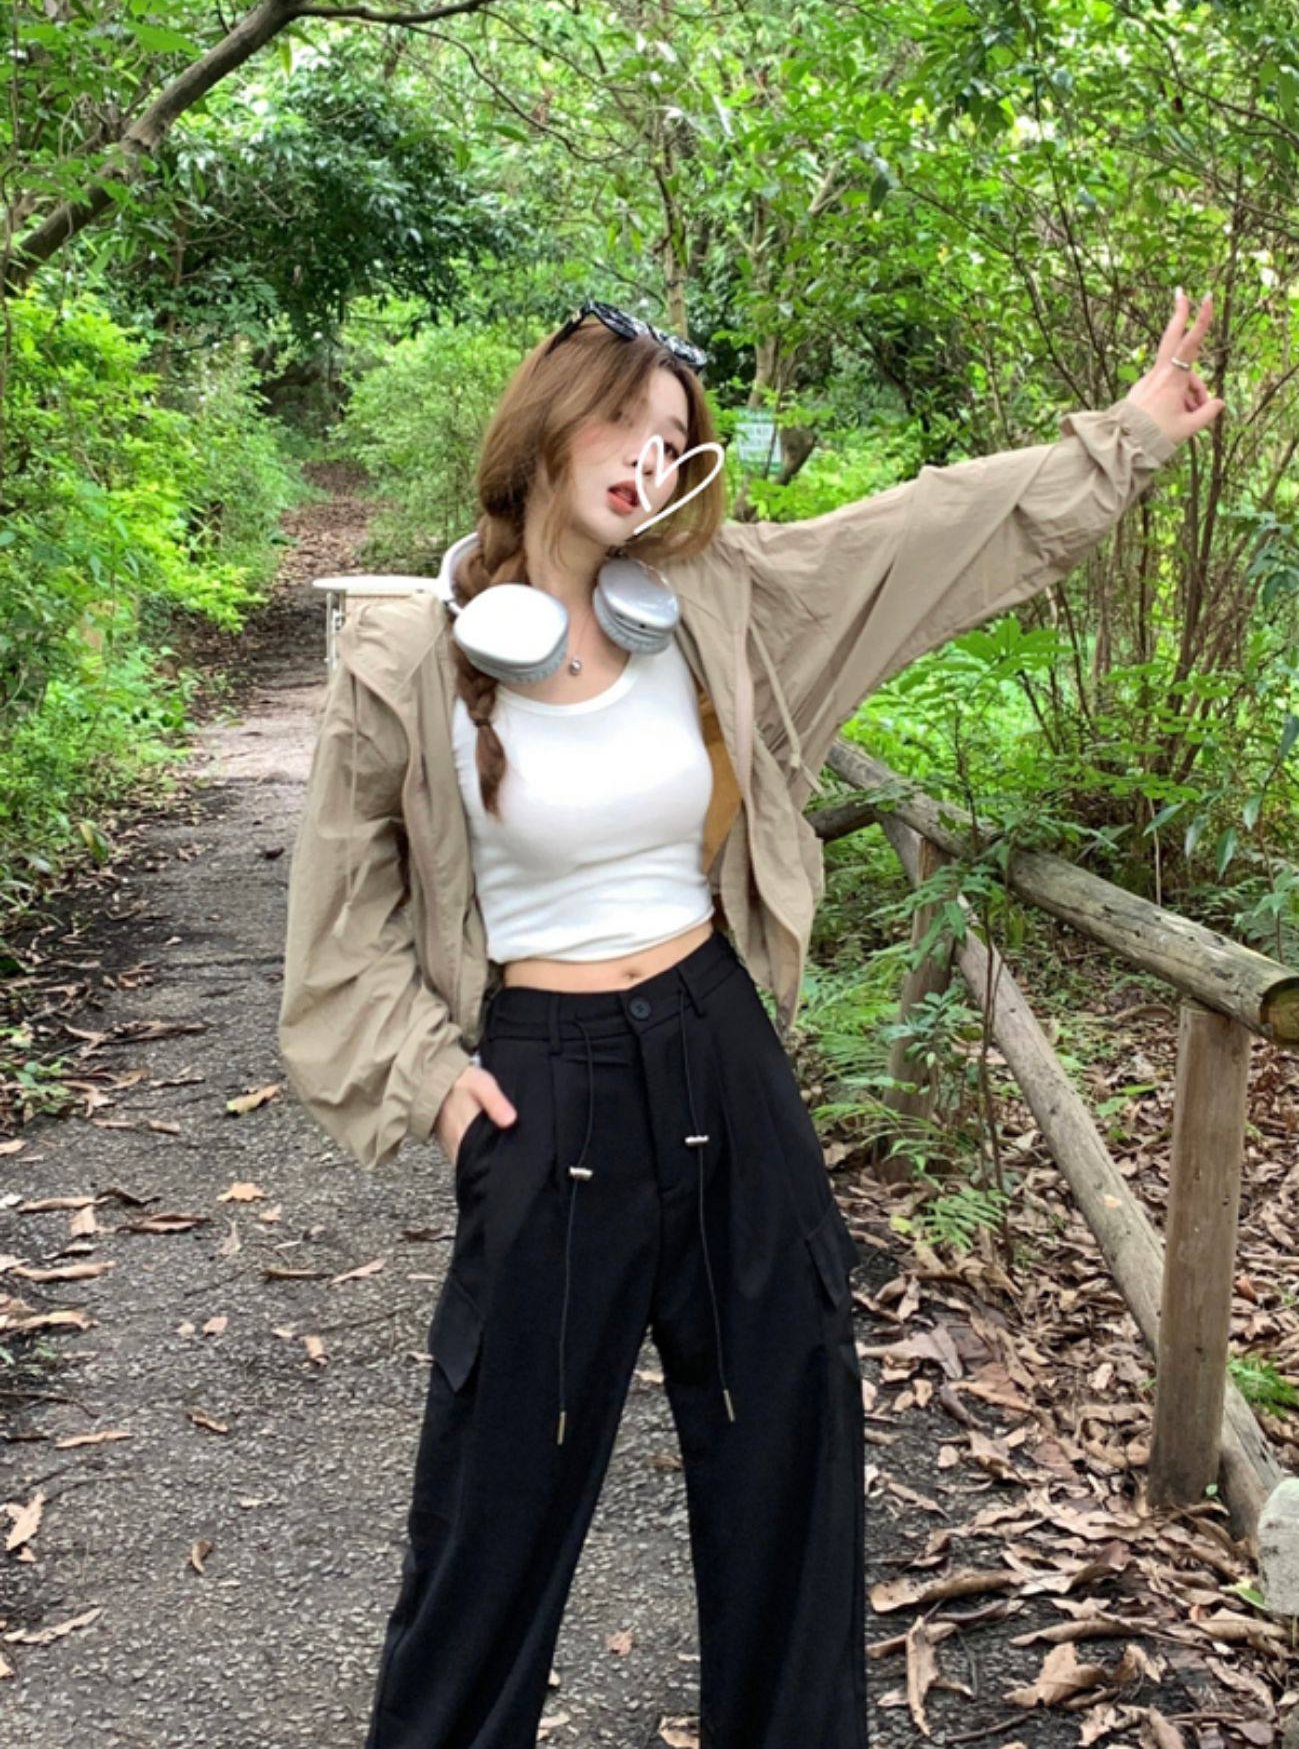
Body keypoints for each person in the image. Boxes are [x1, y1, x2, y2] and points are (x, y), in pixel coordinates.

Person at [278, 289, 1221, 1749]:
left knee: (789, 1453)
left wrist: (1129, 437)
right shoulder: (408, 658)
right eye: (622, 422)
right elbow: (339, 927)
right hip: (543, 1084)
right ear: (546, 423)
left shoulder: (714, 605)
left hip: (720, 1048)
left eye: (672, 439)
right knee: (496, 1497)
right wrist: (439, 1086)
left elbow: (922, 535)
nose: (648, 457)